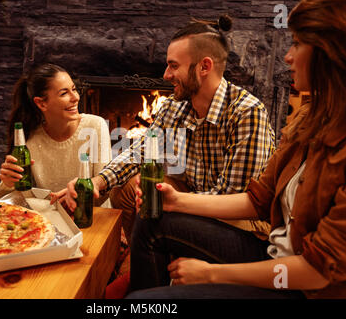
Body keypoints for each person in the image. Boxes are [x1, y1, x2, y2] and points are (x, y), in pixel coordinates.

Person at [127, 0, 346, 299]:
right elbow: (256, 199)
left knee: (141, 303)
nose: (287, 57)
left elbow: (316, 272)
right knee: (151, 218)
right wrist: (176, 201)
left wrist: (210, 274)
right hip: (275, 253)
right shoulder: (309, 118)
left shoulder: (249, 112)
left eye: (297, 44)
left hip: (302, 286)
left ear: (330, 55)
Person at [64, 16, 276, 244]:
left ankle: (154, 261)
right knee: (127, 190)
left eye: (174, 65)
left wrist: (172, 202)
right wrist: (98, 181)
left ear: (204, 66)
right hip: (194, 195)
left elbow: (231, 198)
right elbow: (141, 151)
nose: (166, 75)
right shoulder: (175, 105)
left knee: (154, 208)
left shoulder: (247, 113)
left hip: (242, 224)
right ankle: (143, 262)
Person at [0, 63, 111, 207]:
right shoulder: (29, 138)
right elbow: (12, 202)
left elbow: (104, 191)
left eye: (74, 89)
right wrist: (8, 183)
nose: (75, 98)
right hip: (48, 218)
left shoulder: (95, 126)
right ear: (41, 103)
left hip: (94, 217)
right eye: (64, 93)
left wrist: (75, 197)